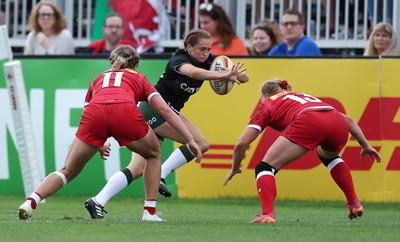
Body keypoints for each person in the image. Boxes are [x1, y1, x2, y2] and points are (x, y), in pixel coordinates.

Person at [17, 45, 202, 222]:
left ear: (111, 62)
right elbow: (166, 111)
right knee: (153, 154)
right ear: (136, 64)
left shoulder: (97, 79)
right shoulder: (138, 77)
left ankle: (30, 202)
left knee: (67, 170)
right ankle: (149, 212)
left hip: (94, 115)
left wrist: (99, 143)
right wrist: (190, 139)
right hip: (124, 111)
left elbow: (91, 114)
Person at [84, 29, 249, 219]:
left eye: (208, 49)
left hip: (170, 112)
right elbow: (193, 73)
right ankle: (160, 177)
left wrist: (231, 73)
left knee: (137, 168)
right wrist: (222, 76)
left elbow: (244, 78)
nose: (206, 53)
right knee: (200, 144)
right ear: (188, 47)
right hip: (153, 109)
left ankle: (98, 201)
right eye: (202, 49)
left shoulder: (209, 61)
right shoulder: (179, 60)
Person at [223, 78, 381, 224]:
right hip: (337, 122)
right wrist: (365, 145)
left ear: (265, 94)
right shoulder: (302, 96)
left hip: (309, 120)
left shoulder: (268, 104)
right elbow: (349, 120)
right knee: (328, 156)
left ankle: (268, 214)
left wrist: (235, 167)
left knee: (264, 168)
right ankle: (354, 202)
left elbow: (241, 144)